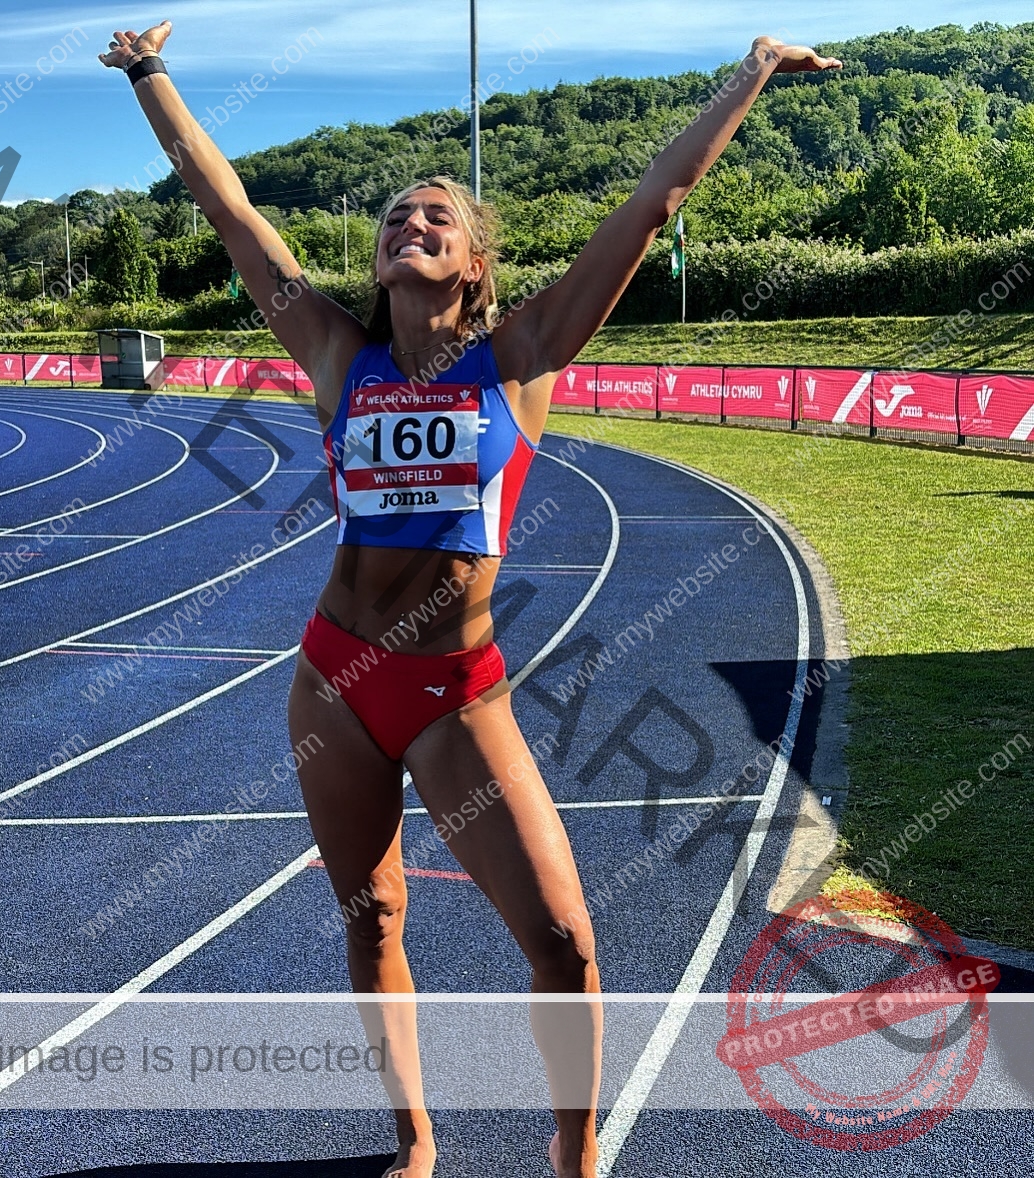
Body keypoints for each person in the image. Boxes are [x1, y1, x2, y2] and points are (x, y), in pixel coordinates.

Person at [100, 21, 840, 1177]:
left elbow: (652, 202)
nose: (411, 220)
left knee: (561, 939)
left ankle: (574, 1146)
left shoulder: (524, 355)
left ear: (473, 264)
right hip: (334, 683)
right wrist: (151, 76)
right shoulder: (339, 354)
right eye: (397, 211)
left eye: (436, 213)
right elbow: (228, 207)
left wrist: (747, 73)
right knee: (373, 916)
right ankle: (410, 1136)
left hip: (456, 690)